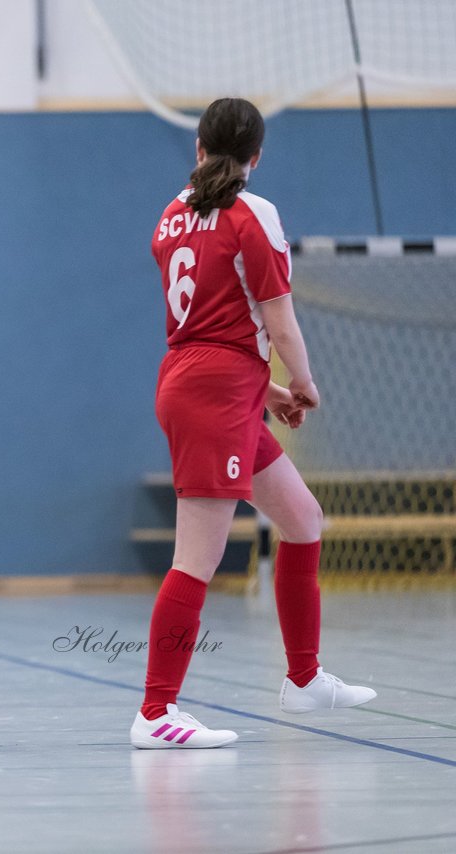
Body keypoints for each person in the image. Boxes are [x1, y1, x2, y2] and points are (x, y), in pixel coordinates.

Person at [131, 97, 376, 749]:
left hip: (208, 384)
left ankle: (303, 680)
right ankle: (156, 711)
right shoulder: (251, 213)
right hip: (214, 394)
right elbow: (277, 319)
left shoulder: (171, 215)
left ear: (199, 148)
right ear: (256, 158)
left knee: (302, 518)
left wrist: (263, 393)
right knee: (198, 558)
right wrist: (303, 383)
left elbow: (209, 329)